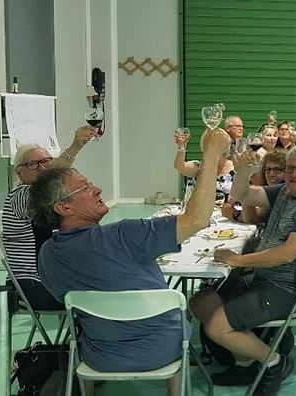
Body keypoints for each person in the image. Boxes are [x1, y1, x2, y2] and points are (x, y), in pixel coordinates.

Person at [28, 127, 230, 395]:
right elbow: (197, 219)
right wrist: (213, 152)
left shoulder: (47, 255)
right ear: (63, 208)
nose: (97, 188)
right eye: (85, 188)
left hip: (98, 357)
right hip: (163, 350)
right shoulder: (125, 235)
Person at [191, 145, 296, 392]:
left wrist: (238, 261)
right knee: (201, 301)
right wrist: (244, 170)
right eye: (290, 168)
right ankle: (247, 361)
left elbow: (286, 254)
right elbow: (243, 195)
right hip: (264, 280)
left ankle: (274, 363)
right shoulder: (284, 192)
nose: (294, 174)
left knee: (216, 326)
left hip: (291, 290)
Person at [0, 126, 98, 310]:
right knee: (98, 297)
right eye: (33, 164)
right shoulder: (21, 195)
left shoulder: (48, 196)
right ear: (19, 172)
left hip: (51, 276)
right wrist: (74, 147)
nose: (42, 168)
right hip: (31, 284)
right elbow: (48, 183)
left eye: (46, 162)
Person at [174, 131, 235, 198]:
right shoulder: (200, 167)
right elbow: (179, 166)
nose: (212, 148)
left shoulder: (235, 167)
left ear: (225, 146)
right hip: (203, 207)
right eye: (209, 144)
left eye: (216, 144)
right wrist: (182, 147)